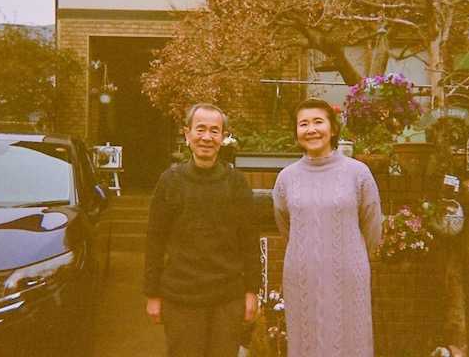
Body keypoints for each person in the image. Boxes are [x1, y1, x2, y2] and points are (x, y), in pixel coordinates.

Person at [144, 103, 260, 357]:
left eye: (214, 131)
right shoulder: (169, 181)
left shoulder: (236, 183)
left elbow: (250, 241)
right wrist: (152, 294)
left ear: (223, 137)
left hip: (227, 299)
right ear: (187, 134)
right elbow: (155, 241)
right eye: (200, 129)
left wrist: (252, 291)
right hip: (180, 299)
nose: (207, 137)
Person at [272, 98, 382, 357]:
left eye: (318, 122)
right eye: (303, 124)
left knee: (351, 341)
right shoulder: (286, 178)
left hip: (348, 275)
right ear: (296, 131)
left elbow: (372, 225)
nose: (311, 129)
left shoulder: (358, 173)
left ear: (333, 129)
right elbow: (285, 225)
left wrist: (350, 255)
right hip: (302, 276)